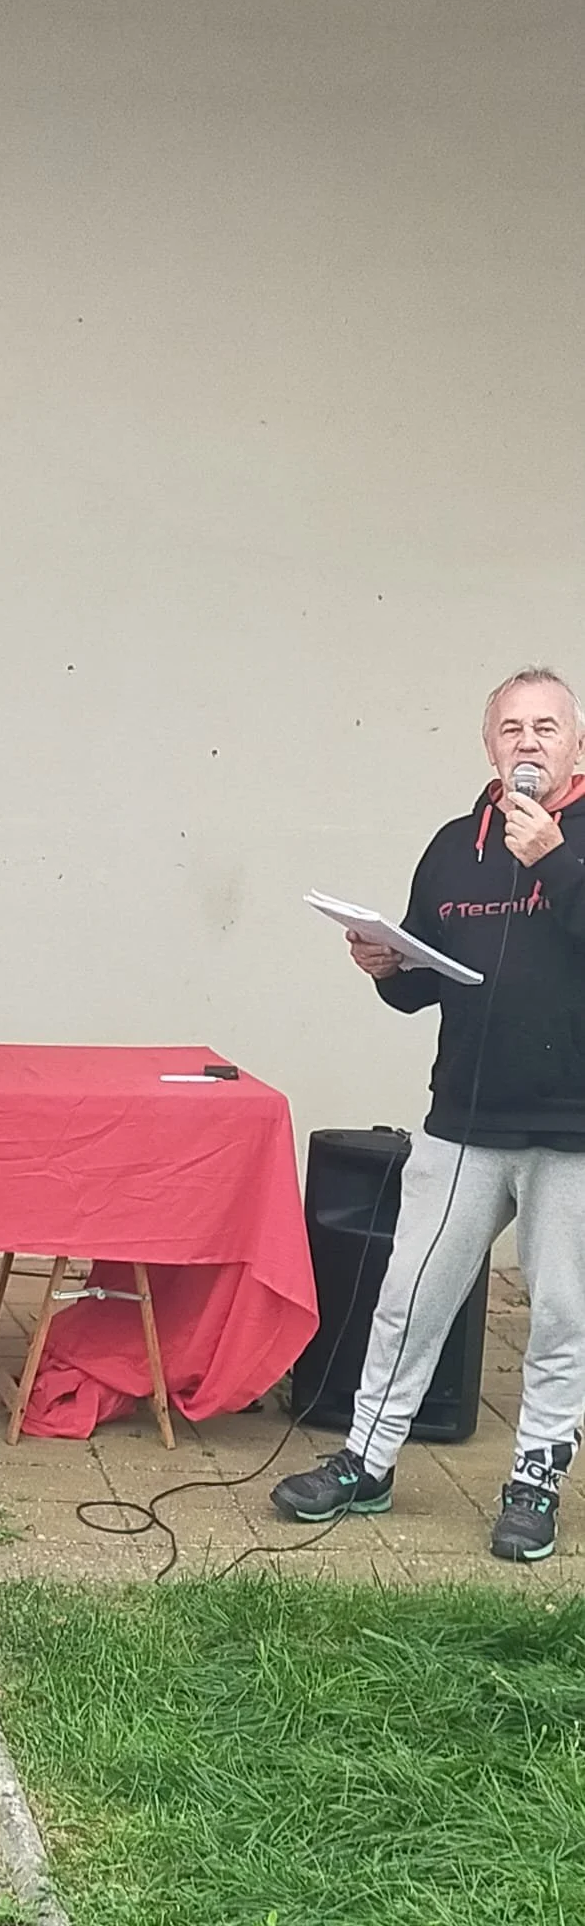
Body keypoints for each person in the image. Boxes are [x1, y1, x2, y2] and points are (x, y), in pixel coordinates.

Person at [273, 665, 585, 1562]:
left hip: (571, 1126)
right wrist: (389, 967)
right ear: (489, 745)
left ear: (575, 745)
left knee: (560, 1313)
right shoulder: (455, 844)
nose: (528, 742)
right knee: (409, 1296)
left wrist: (553, 860)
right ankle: (367, 1459)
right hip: (465, 1119)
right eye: (512, 729)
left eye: (546, 727)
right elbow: (427, 977)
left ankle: (535, 1479)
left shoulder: (563, 842)